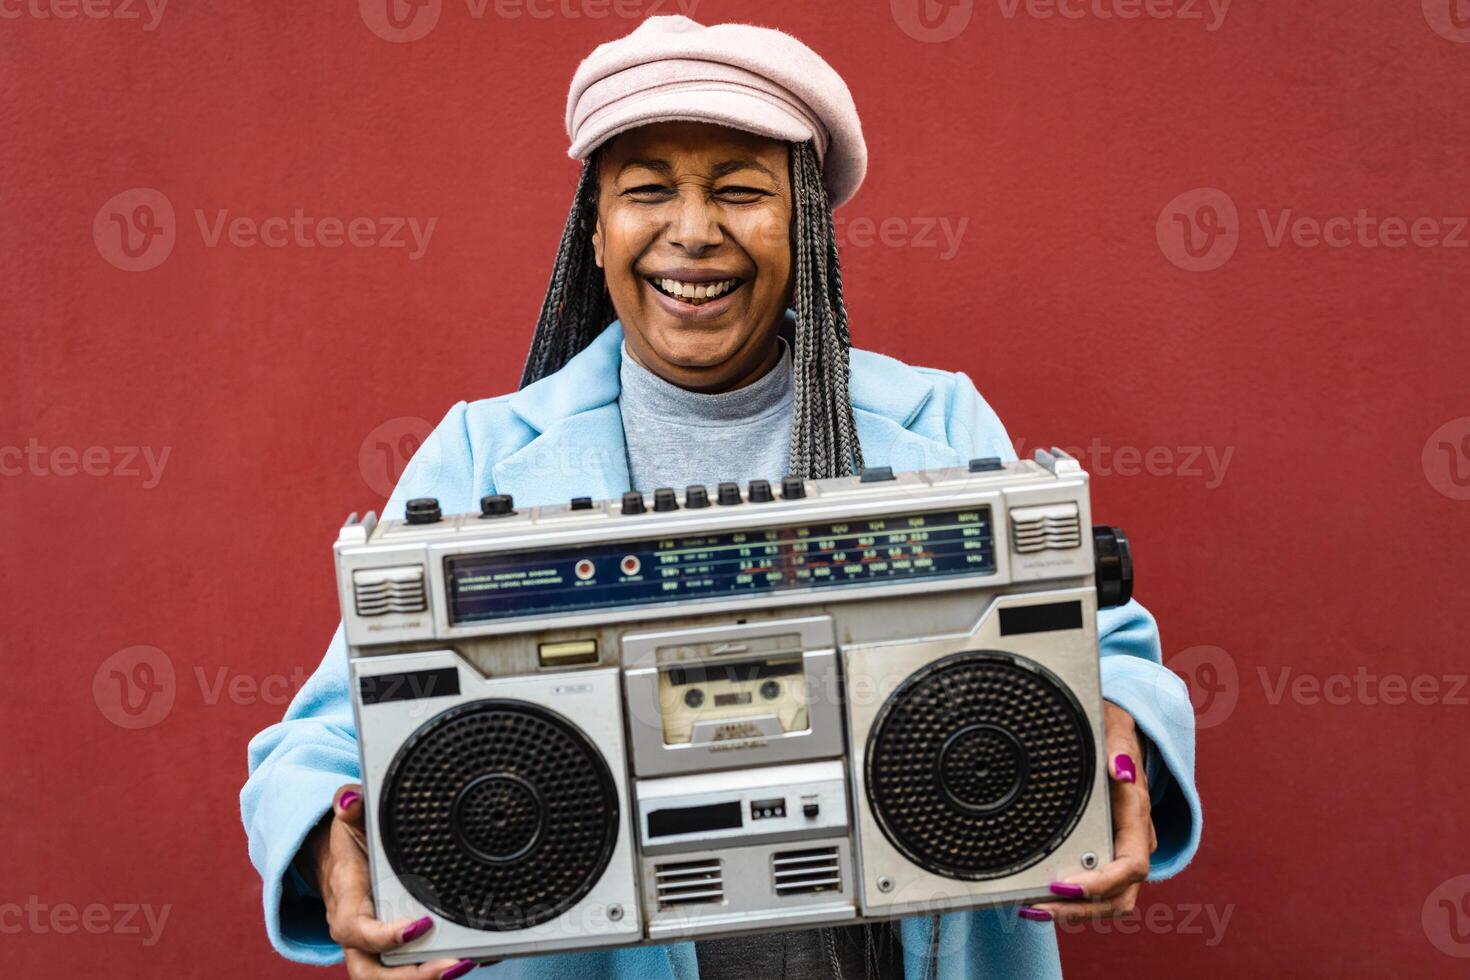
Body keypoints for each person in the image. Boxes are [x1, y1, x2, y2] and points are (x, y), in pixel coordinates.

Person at [241, 15, 1202, 980]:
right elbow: (328, 734)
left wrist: (1120, 738)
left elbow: (1102, 649)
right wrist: (333, 840)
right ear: (596, 227)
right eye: (647, 189)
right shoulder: (485, 457)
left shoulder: (936, 425)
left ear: (806, 223)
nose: (691, 232)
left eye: (740, 191)